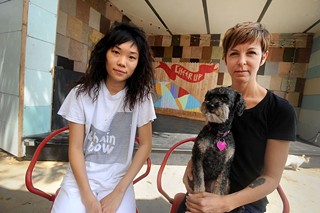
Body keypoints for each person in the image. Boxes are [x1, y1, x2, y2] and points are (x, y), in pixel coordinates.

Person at [178, 22, 296, 213]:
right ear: (225, 58)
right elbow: (206, 141)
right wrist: (193, 164)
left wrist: (224, 203)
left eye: (251, 53)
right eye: (234, 53)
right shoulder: (217, 101)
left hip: (246, 203)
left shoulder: (280, 111)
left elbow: (272, 178)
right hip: (206, 194)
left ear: (263, 57)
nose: (241, 61)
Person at [51, 22, 156, 213]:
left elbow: (146, 145)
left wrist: (119, 192)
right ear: (104, 53)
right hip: (81, 179)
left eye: (131, 57)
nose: (122, 62)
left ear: (138, 63)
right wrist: (87, 196)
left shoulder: (142, 98)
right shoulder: (80, 94)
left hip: (118, 181)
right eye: (116, 52)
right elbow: (75, 148)